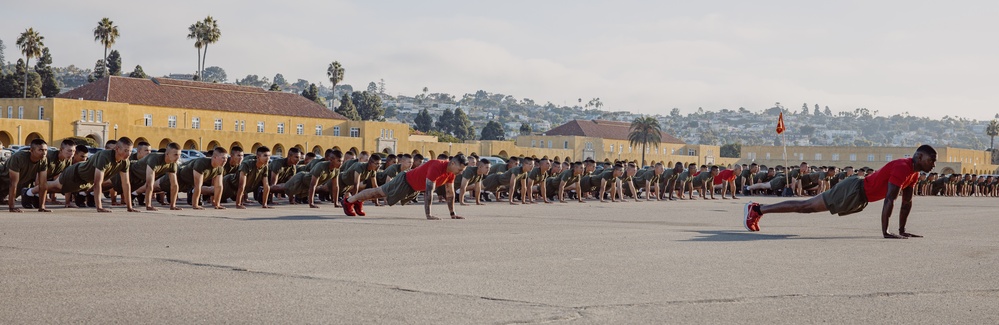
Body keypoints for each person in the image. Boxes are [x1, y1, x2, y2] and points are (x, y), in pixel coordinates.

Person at [743, 145, 937, 239]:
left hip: (859, 196)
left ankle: (759, 209)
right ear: (919, 156)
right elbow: (890, 200)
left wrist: (902, 230)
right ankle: (758, 209)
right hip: (854, 189)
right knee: (806, 206)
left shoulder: (913, 174)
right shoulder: (903, 167)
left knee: (807, 207)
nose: (933, 165)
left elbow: (906, 203)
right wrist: (886, 232)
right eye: (931, 160)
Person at [26, 137, 137, 213]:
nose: (128, 154)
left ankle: (81, 196)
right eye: (126, 150)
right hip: (75, 173)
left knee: (108, 184)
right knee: (56, 186)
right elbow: (98, 182)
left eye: (131, 151)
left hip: (86, 181)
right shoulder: (105, 156)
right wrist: (99, 207)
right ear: (117, 149)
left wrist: (129, 207)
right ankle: (28, 192)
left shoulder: (124, 161)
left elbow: (126, 184)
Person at [345, 154, 467, 220]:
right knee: (379, 192)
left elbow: (450, 193)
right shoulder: (437, 166)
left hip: (413, 188)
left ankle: (357, 200)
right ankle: (349, 201)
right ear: (452, 163)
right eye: (460, 169)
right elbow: (429, 192)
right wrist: (428, 215)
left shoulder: (451, 173)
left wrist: (453, 214)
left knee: (379, 193)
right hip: (404, 181)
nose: (461, 172)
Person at [111, 142, 182, 211]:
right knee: (106, 185)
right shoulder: (155, 158)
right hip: (130, 174)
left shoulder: (173, 164)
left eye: (179, 155)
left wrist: (173, 205)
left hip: (139, 181)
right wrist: (148, 205)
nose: (178, 157)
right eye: (175, 154)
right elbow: (149, 184)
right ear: (167, 154)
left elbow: (174, 185)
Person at [269, 149, 343, 209]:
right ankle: (265, 189)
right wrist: (311, 203)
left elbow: (335, 186)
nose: (341, 163)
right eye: (339, 161)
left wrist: (336, 203)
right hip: (301, 179)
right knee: (283, 188)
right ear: (332, 160)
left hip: (306, 185)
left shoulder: (336, 170)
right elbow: (312, 185)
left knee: (287, 189)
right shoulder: (321, 166)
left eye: (342, 161)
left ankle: (266, 190)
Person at [159, 146, 228, 210]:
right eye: (223, 158)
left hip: (188, 185)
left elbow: (219, 186)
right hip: (178, 177)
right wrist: (195, 205)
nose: (225, 160)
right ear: (215, 157)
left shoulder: (220, 168)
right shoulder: (202, 163)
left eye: (226, 158)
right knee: (156, 187)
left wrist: (217, 204)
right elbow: (198, 185)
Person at [1, 139, 49, 212]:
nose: (44, 153)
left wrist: (42, 207)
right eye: (40, 150)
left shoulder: (43, 160)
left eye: (46, 150)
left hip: (7, 188)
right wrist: (12, 207)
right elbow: (13, 184)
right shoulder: (18, 158)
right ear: (31, 150)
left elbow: (43, 184)